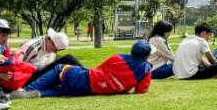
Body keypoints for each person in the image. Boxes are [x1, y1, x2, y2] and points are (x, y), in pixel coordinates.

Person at [11, 40, 152, 98]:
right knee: (63, 90)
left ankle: (26, 90)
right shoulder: (146, 68)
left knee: (60, 67)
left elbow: (99, 69)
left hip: (89, 79)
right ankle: (41, 93)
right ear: (146, 55)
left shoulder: (118, 57)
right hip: (94, 91)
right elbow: (141, 90)